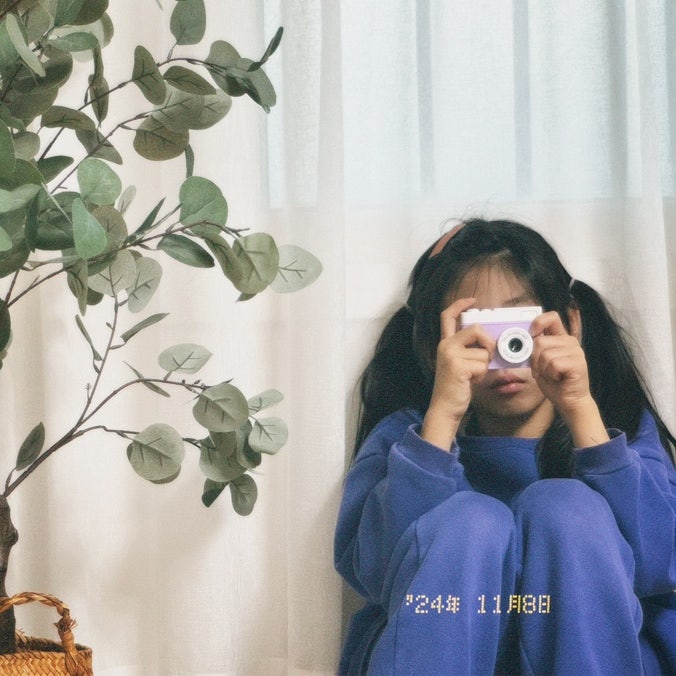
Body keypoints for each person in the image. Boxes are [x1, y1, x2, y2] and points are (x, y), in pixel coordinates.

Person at [334, 219, 676, 675]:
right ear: (434, 346)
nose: (504, 354)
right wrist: (442, 418)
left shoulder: (619, 430)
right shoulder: (408, 440)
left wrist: (581, 410)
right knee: (471, 520)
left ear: (570, 322)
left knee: (564, 506)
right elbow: (376, 575)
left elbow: (660, 567)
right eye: (475, 332)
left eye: (518, 326)